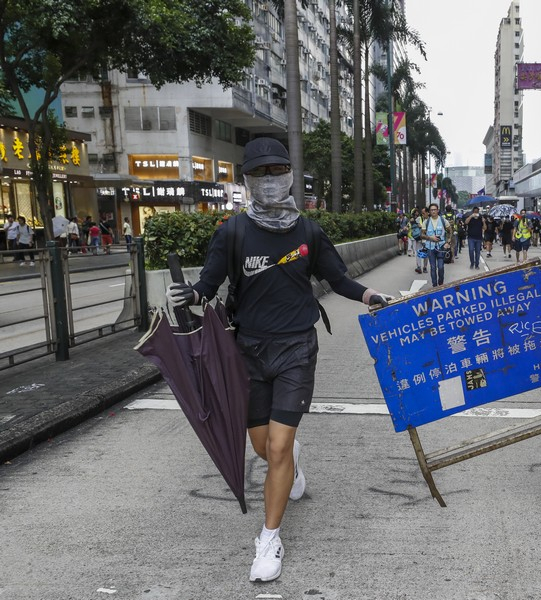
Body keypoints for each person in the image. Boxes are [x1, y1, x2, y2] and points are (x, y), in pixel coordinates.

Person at [165, 137, 393, 583]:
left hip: (296, 349)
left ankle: (269, 538)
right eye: (259, 175)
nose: (269, 183)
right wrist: (189, 294)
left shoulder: (308, 232)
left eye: (276, 173)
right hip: (246, 353)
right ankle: (290, 463)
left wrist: (371, 296)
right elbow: (207, 288)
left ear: (289, 176)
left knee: (278, 447)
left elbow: (339, 278)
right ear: (247, 182)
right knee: (263, 447)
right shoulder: (232, 232)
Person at [422, 203, 451, 286]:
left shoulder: (443, 220)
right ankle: (434, 286)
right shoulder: (426, 222)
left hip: (441, 247)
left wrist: (448, 242)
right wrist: (430, 238)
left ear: (438, 210)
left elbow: (449, 231)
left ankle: (441, 283)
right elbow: (422, 235)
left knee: (441, 267)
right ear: (429, 212)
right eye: (431, 210)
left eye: (435, 209)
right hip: (430, 248)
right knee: (433, 268)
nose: (433, 211)